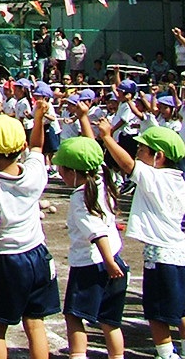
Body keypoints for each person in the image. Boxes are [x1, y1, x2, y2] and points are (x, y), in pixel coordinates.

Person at [0, 112, 60, 359]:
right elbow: (38, 146)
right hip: (38, 254)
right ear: (21, 146)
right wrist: (39, 118)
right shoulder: (34, 172)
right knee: (35, 323)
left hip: (8, 261)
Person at [95, 121, 185, 359]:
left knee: (157, 313)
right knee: (183, 308)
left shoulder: (156, 177)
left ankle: (166, 354)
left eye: (143, 150)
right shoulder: (180, 179)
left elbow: (127, 165)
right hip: (181, 252)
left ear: (159, 156)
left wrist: (107, 137)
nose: (138, 153)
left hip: (162, 254)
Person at [51, 135, 126, 359]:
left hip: (93, 264)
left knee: (74, 316)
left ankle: (78, 355)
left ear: (73, 172)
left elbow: (97, 232)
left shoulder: (81, 198)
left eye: (62, 169)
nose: (60, 174)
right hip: (114, 258)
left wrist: (109, 263)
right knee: (110, 321)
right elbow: (91, 150)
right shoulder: (102, 182)